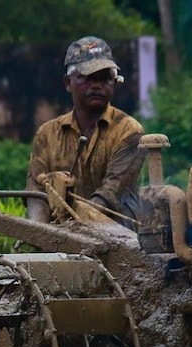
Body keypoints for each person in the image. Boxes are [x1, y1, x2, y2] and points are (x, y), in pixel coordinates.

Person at [26, 36, 145, 227]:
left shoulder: (129, 131)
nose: (97, 85)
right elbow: (35, 193)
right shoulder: (46, 134)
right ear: (68, 82)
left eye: (105, 78)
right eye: (88, 78)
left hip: (118, 238)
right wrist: (38, 231)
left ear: (115, 81)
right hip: (59, 237)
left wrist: (73, 228)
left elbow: (110, 194)